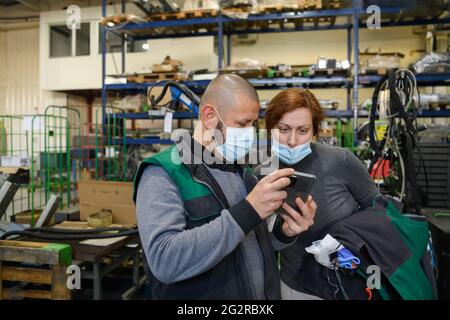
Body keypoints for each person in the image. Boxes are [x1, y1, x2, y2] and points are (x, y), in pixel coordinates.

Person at [134, 75, 317, 299]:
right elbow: (164, 260)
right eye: (242, 124)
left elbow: (249, 244)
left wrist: (283, 233)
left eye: (252, 123)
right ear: (210, 116)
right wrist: (247, 211)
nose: (249, 133)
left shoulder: (241, 172)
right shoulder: (163, 172)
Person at [254, 88, 381, 300]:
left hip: (347, 281)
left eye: (302, 130)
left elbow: (378, 210)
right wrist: (287, 232)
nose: (292, 140)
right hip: (297, 287)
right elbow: (265, 242)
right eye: (283, 129)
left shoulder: (341, 161)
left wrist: (345, 239)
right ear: (270, 129)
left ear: (315, 131)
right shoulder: (263, 174)